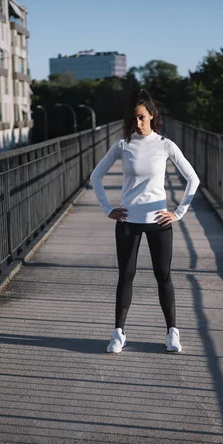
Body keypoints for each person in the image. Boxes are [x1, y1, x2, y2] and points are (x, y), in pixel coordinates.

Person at [90, 89, 199, 353]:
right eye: (133, 119)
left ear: (151, 115)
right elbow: (96, 176)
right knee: (125, 276)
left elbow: (193, 179)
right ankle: (118, 333)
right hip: (128, 220)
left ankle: (172, 333)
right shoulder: (123, 145)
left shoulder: (165, 145)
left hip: (159, 222)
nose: (137, 123)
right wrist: (108, 209)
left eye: (141, 117)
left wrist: (178, 212)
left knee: (163, 276)